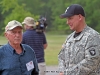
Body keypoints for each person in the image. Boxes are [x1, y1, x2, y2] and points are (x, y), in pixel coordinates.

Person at [58, 4, 100, 75]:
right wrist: (62, 71)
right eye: (67, 19)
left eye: (70, 18)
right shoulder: (69, 38)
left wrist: (67, 73)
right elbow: (61, 57)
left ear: (80, 17)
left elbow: (91, 62)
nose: (67, 22)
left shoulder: (92, 36)